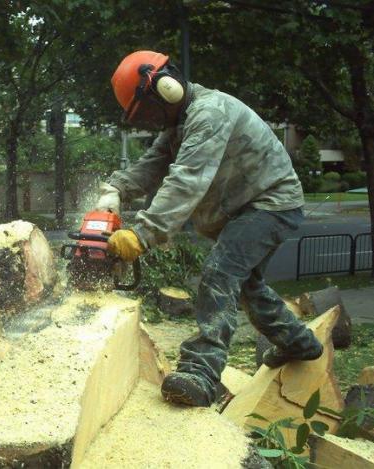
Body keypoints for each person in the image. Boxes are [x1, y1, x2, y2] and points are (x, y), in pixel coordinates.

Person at [96, 50, 323, 407]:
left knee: (219, 273)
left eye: (147, 113)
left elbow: (187, 179)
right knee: (247, 285)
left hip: (270, 203)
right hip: (244, 207)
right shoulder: (179, 123)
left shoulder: (209, 113)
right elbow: (153, 165)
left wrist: (143, 234)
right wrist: (116, 189)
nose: (151, 123)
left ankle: (201, 372)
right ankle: (299, 343)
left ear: (165, 88)